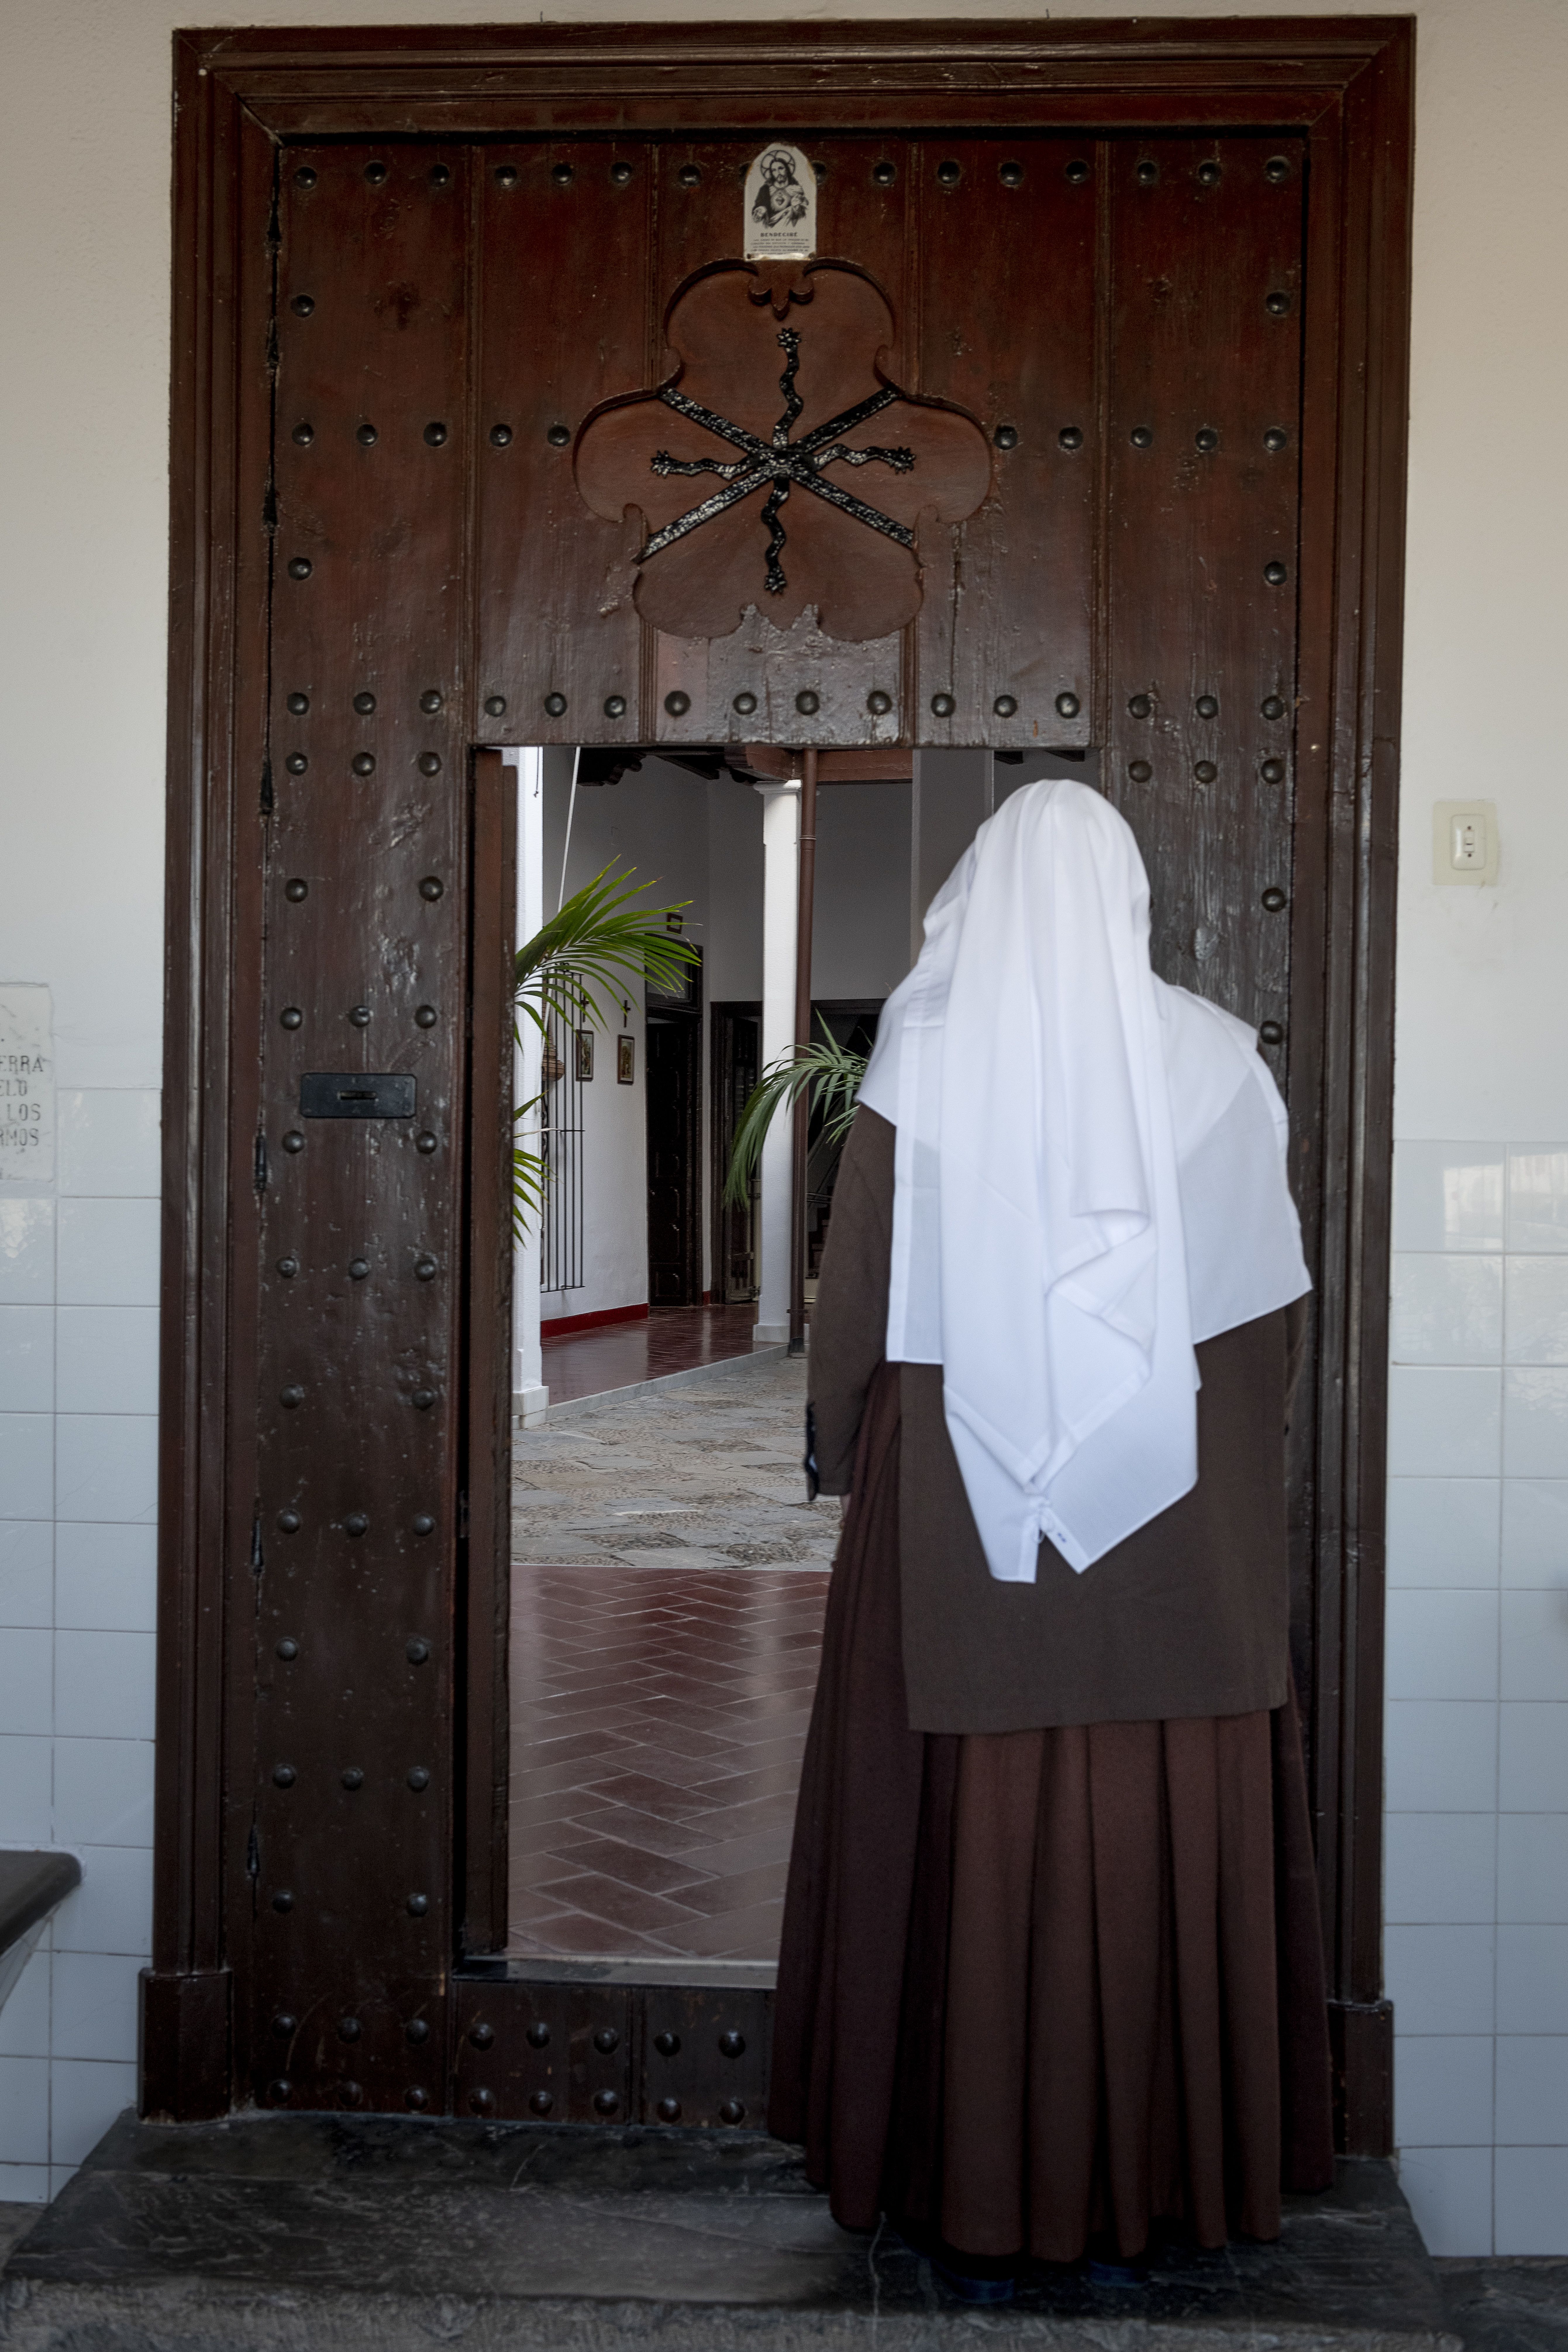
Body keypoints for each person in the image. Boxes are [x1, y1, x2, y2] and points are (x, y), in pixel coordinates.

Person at [769, 777, 1333, 2300]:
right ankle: (1172, 2168)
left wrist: (834, 1445)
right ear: (1131, 895)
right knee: (1159, 1795)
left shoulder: (923, 1050)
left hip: (958, 1501)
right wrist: (1222, 1485)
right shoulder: (1221, 1056)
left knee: (952, 1796)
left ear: (977, 888)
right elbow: (1273, 1310)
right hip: (1184, 1505)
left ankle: (944, 2161)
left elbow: (861, 1285)